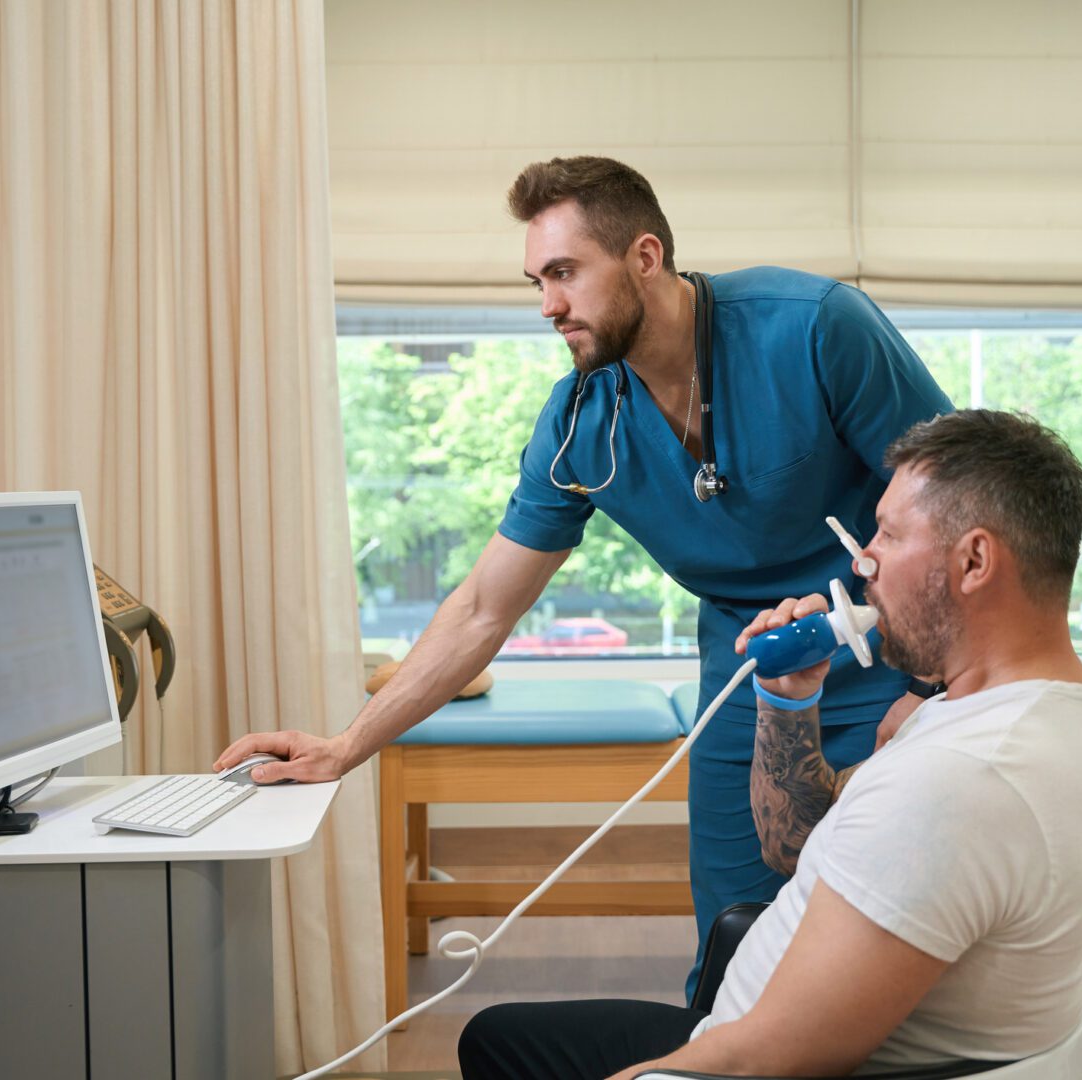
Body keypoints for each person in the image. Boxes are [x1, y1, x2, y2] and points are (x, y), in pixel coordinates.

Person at [215, 156, 954, 992]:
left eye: (565, 273)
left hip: (897, 664)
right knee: (735, 948)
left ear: (644, 256)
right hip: (748, 675)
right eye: (536, 280)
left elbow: (962, 501)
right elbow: (484, 609)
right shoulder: (580, 424)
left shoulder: (814, 327)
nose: (547, 306)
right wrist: (345, 747)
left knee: (891, 931)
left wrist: (940, 691)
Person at [457, 410, 1082, 1080]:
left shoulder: (960, 779)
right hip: (752, 1026)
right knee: (498, 1038)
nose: (863, 561)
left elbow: (770, 1060)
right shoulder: (1013, 713)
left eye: (887, 534)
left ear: (973, 561)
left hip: (754, 1054)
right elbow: (796, 847)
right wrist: (789, 698)